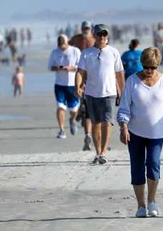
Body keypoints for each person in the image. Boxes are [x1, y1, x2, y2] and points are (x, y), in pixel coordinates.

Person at [117, 47, 163, 218]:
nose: (149, 71)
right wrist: (123, 128)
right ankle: (140, 205)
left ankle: (152, 201)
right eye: (146, 67)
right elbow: (124, 106)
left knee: (153, 165)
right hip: (135, 133)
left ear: (158, 65)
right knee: (137, 168)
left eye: (153, 67)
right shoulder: (132, 81)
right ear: (141, 64)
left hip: (157, 134)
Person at [76, 24, 125, 164]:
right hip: (91, 93)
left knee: (107, 122)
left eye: (105, 34)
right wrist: (78, 86)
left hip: (109, 93)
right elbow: (80, 72)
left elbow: (120, 73)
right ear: (95, 36)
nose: (102, 37)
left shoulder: (114, 52)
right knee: (95, 123)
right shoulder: (86, 53)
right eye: (100, 34)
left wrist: (122, 91)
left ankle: (104, 152)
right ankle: (97, 152)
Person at [48, 35, 81, 139]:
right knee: (60, 107)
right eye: (60, 46)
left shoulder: (75, 51)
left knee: (74, 110)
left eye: (64, 45)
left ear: (68, 42)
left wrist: (70, 68)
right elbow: (50, 67)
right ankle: (61, 130)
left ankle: (72, 120)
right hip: (59, 85)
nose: (62, 48)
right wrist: (57, 68)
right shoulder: (55, 52)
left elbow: (81, 66)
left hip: (73, 84)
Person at [69, 21, 96, 151]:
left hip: (92, 76)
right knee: (86, 107)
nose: (85, 30)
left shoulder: (94, 39)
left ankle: (91, 135)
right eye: (84, 28)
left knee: (91, 108)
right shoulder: (76, 39)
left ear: (91, 29)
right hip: (79, 75)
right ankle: (88, 135)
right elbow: (67, 48)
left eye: (87, 28)